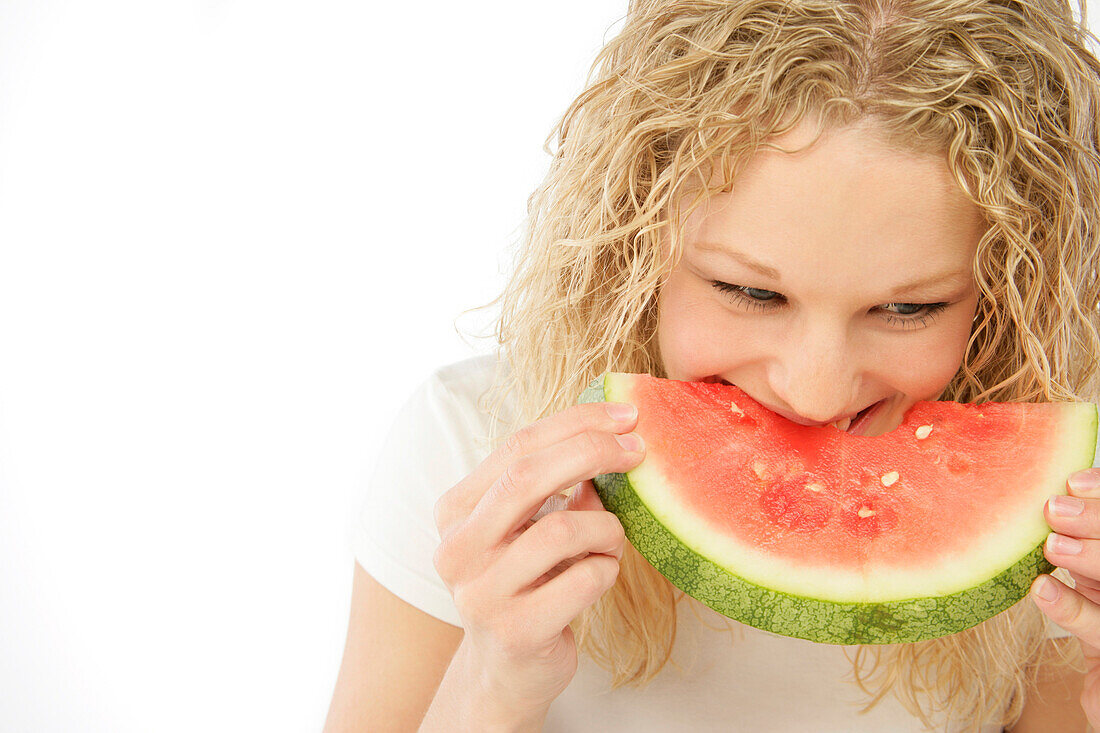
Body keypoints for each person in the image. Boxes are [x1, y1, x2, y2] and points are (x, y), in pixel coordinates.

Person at [324, 0, 1100, 730]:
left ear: (1007, 287)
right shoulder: (468, 445)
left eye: (908, 309)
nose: (814, 389)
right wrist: (489, 681)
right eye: (749, 291)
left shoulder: (1063, 507)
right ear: (634, 240)